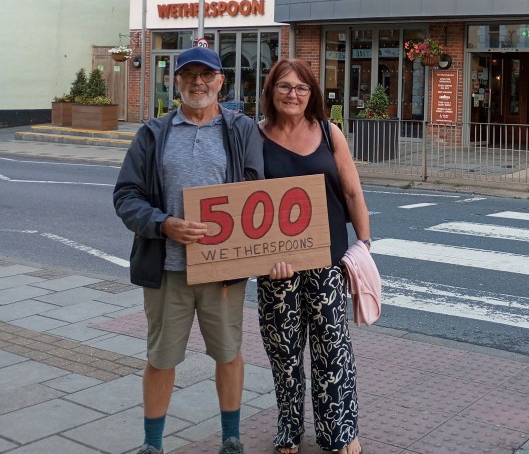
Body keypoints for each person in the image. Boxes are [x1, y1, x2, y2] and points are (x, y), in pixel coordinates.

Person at [114, 46, 264, 454]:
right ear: (175, 81)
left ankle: (231, 439)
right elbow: (126, 196)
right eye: (189, 75)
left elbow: (257, 194)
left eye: (207, 74)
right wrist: (163, 224)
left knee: (228, 352)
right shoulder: (153, 133)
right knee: (161, 358)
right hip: (166, 269)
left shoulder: (240, 129)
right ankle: (152, 445)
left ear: (221, 81)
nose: (198, 82)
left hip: (221, 269)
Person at [257, 58, 371, 454]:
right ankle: (289, 427)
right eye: (285, 87)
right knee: (283, 352)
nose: (293, 94)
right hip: (275, 267)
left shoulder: (328, 132)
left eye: (302, 88)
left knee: (331, 348)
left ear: (312, 94)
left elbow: (353, 192)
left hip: (327, 261)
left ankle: (340, 431)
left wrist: (364, 243)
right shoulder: (255, 137)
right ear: (271, 91)